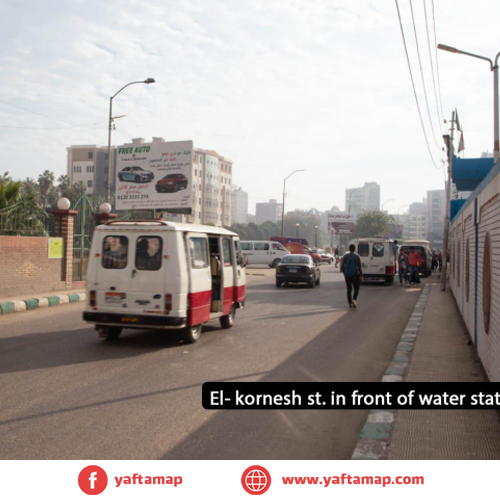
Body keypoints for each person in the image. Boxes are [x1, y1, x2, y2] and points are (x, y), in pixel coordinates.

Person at [340, 244, 363, 308]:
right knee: (356, 288)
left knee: (349, 289)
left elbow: (342, 267)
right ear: (354, 249)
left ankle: (350, 303)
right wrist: (361, 276)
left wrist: (345, 274)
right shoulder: (357, 257)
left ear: (349, 249)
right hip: (355, 275)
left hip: (348, 275)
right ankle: (354, 300)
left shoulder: (345, 256)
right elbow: (360, 267)